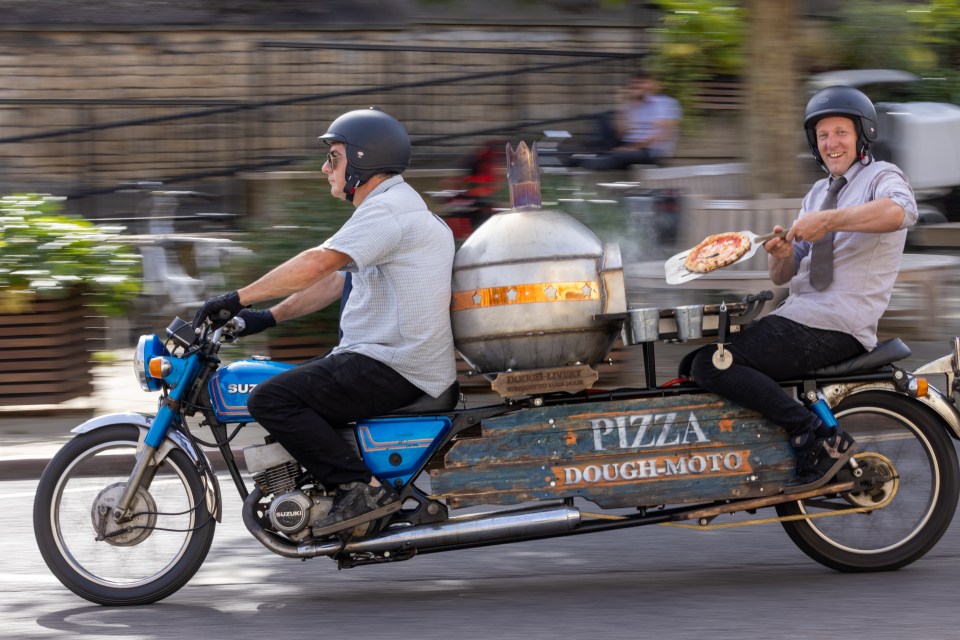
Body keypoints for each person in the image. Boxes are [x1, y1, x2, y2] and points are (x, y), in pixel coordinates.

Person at [193, 107, 457, 537]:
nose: (325, 168)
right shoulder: (392, 207)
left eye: (333, 158)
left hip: (397, 364)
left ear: (362, 158)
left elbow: (318, 262)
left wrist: (236, 298)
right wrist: (266, 316)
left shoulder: (388, 210)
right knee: (294, 387)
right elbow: (336, 279)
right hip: (390, 359)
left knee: (270, 400)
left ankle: (362, 491)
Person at [684, 85, 917, 493]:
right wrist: (781, 251)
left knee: (712, 364)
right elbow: (781, 276)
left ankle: (819, 438)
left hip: (839, 323)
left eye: (841, 132)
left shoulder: (883, 177)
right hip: (800, 315)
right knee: (692, 366)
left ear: (863, 134)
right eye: (823, 136)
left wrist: (829, 221)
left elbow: (900, 212)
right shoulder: (816, 193)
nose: (831, 143)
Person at [575, 69, 682, 171]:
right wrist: (622, 104)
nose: (636, 86)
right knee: (601, 118)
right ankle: (593, 157)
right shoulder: (630, 104)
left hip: (650, 151)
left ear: (651, 84)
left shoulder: (665, 103)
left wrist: (632, 148)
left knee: (616, 157)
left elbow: (659, 137)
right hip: (629, 146)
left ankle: (591, 162)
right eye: (634, 83)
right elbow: (621, 133)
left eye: (641, 82)